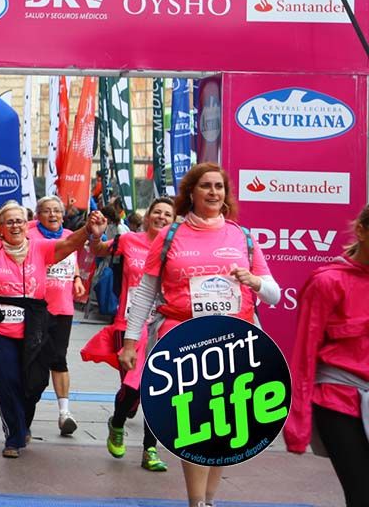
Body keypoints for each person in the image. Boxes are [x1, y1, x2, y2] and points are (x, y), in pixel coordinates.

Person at [120, 163, 281, 507]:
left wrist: (254, 282)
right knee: (194, 423)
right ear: (191, 192)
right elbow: (146, 293)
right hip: (183, 339)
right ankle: (196, 502)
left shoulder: (243, 236)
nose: (213, 192)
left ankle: (208, 499)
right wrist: (131, 343)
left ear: (226, 194)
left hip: (235, 341)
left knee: (227, 424)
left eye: (219, 186)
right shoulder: (170, 236)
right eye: (205, 185)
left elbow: (274, 293)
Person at [0, 199, 104, 458]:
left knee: (35, 381)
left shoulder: (40, 247)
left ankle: (22, 420)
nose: (15, 226)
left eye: (20, 221)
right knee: (7, 379)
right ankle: (14, 436)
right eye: (9, 221)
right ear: (0, 227)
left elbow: (69, 244)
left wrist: (88, 228)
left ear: (27, 225)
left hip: (34, 320)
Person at [80, 197, 174, 472]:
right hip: (129, 325)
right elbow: (98, 252)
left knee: (158, 390)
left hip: (164, 324)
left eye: (168, 214)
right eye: (157, 212)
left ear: (174, 220)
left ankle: (150, 449)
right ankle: (118, 422)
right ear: (147, 217)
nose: (161, 217)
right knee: (134, 387)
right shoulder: (129, 240)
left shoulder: (179, 247)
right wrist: (95, 236)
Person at [285, 203, 369, 507]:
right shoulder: (327, 283)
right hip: (339, 401)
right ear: (361, 230)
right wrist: (298, 425)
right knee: (361, 494)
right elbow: (304, 358)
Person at [29, 195, 86, 434]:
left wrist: (76, 278)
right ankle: (24, 418)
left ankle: (64, 414)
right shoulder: (31, 236)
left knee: (59, 359)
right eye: (47, 211)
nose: (53, 215)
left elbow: (71, 258)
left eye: (57, 211)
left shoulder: (68, 237)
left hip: (63, 308)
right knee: (33, 364)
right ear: (38, 215)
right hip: (36, 308)